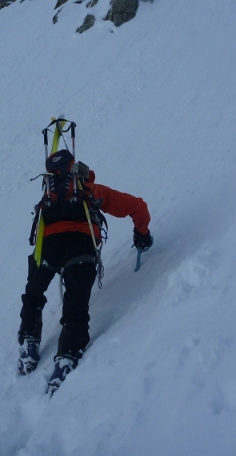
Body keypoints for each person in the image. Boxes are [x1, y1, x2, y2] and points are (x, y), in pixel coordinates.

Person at [18, 149, 152, 395]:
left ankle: (29, 341)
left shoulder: (48, 196)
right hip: (80, 246)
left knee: (34, 292)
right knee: (76, 302)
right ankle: (67, 354)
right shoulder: (90, 190)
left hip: (47, 248)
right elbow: (136, 206)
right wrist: (142, 234)